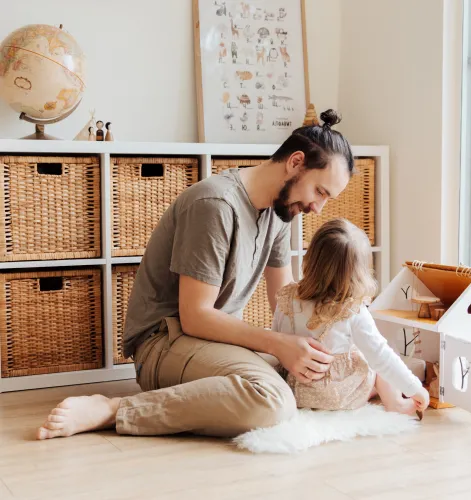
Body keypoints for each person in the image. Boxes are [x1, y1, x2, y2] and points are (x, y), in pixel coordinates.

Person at [36, 109, 355, 440]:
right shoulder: (215, 204)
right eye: (320, 192)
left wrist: (330, 343)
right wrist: (279, 345)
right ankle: (116, 409)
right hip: (165, 341)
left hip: (216, 342)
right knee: (273, 401)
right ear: (295, 163)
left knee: (315, 372)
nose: (318, 208)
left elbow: (285, 302)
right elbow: (195, 317)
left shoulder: (278, 211)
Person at [273, 218, 430, 417]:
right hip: (337, 396)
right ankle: (395, 403)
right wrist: (415, 388)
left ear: (310, 258)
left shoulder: (287, 298)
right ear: (359, 273)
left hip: (295, 388)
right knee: (375, 358)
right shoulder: (352, 311)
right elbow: (381, 357)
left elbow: (277, 338)